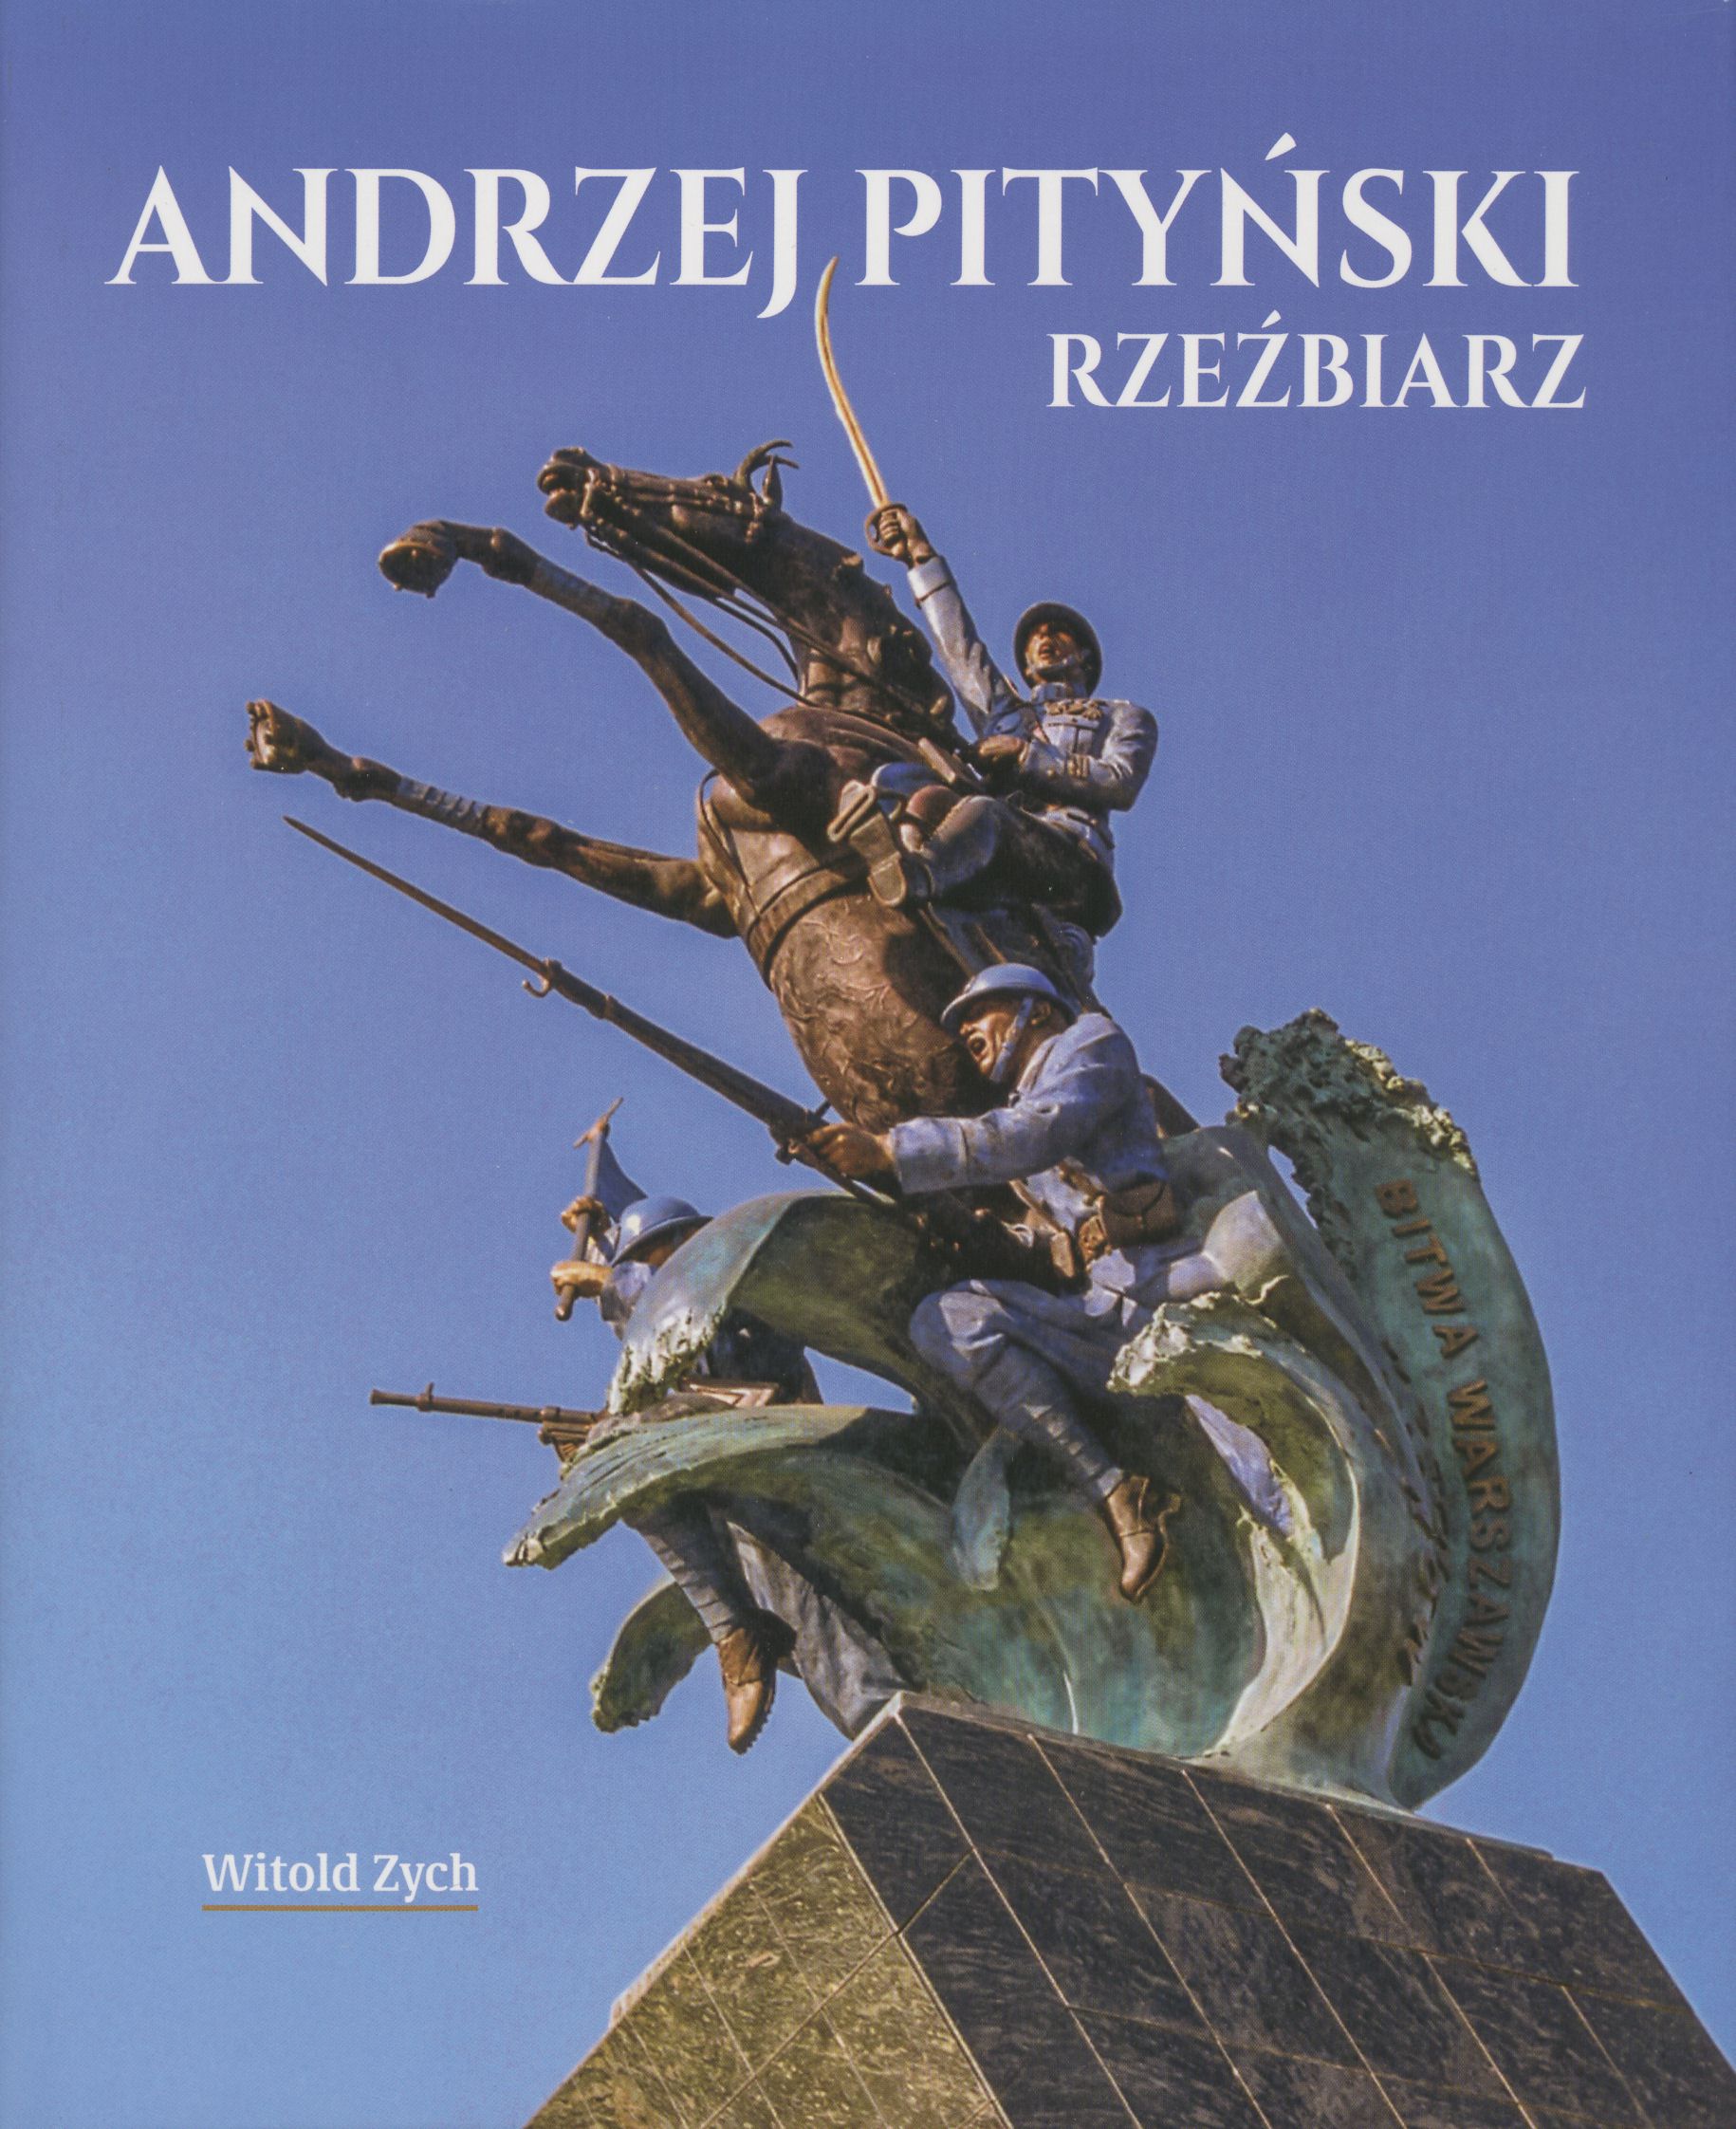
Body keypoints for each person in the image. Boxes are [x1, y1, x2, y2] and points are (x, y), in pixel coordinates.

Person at [804, 964, 1221, 1602]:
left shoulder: (1091, 1043)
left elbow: (1032, 1136)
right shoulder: (1015, 1117)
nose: (967, 1030)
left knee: (1258, 1471)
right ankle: (1116, 1492)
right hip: (1101, 1317)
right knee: (945, 1319)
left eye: (981, 1011)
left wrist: (892, 1151)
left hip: (1171, 1296)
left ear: (1038, 1011)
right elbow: (1051, 1238)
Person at [551, 1194, 819, 1753]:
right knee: (617, 1457)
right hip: (729, 1437)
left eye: (648, 1256)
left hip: (777, 1430)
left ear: (688, 1242)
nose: (640, 1271)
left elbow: (680, 1299)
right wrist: (600, 1238)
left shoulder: (733, 1271)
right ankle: (734, 1627)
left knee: (626, 1451)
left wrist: (605, 1277)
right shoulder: (669, 1315)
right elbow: (650, 1329)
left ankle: (736, 1633)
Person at [861, 505, 1158, 985]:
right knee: (916, 792)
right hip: (1000, 849)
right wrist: (920, 559)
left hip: (1070, 859)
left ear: (1083, 655)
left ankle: (918, 877)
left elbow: (1120, 783)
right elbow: (960, 651)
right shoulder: (1006, 713)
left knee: (986, 815)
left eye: (1057, 633)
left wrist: (1024, 756)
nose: (1044, 639)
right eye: (1035, 637)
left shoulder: (1123, 716)